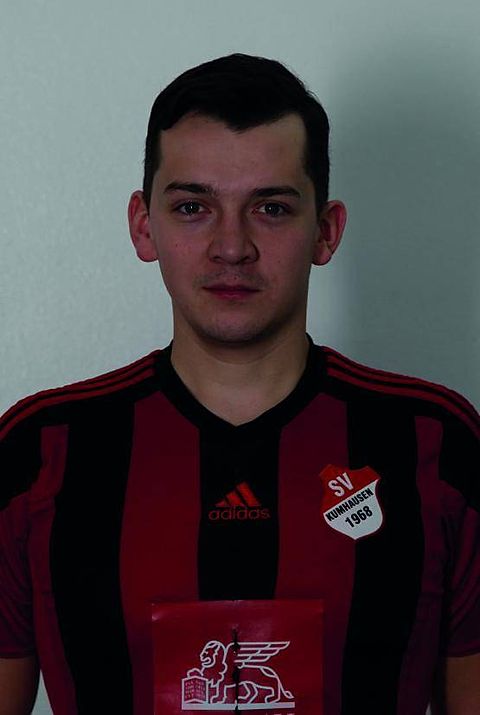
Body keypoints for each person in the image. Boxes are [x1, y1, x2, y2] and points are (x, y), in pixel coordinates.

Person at [0, 53, 479, 715]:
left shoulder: (435, 440)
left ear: (326, 231)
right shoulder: (39, 450)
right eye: (193, 207)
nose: (232, 247)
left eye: (271, 208)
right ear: (143, 225)